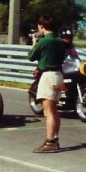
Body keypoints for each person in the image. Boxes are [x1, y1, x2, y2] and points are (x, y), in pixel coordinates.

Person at [27, 15, 66, 153]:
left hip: (47, 75)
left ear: (42, 26)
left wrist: (34, 43)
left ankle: (50, 141)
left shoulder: (44, 41)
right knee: (54, 110)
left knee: (48, 112)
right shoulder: (60, 41)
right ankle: (55, 138)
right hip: (59, 75)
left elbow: (31, 56)